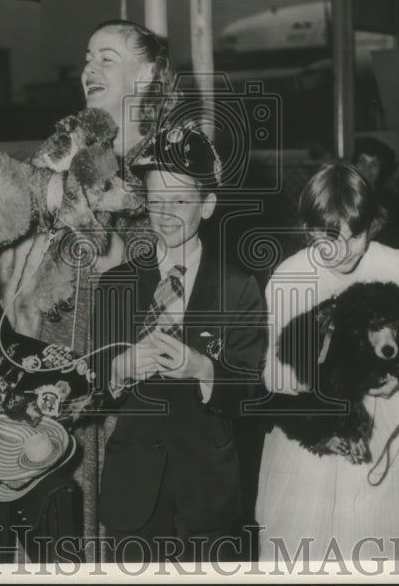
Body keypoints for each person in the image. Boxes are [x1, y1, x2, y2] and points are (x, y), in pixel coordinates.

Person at [0, 19, 178, 560]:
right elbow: (15, 225)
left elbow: (166, 257)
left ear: (146, 75)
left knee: (125, 523)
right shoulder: (63, 149)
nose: (90, 68)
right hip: (50, 354)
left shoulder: (172, 157)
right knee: (57, 520)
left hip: (128, 355)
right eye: (87, 57)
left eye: (108, 59)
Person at [255, 163, 399, 563]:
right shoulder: (289, 278)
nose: (346, 248)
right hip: (324, 417)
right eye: (330, 236)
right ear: (308, 229)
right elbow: (274, 365)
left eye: (358, 234)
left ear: (373, 225)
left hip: (396, 412)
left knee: (397, 531)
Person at [90, 126, 267, 563]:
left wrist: (203, 370)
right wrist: (117, 369)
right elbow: (89, 391)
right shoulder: (116, 284)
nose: (165, 213)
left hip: (208, 498)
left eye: (181, 200)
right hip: (133, 496)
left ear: (207, 205)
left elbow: (255, 392)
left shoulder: (237, 287)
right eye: (156, 200)